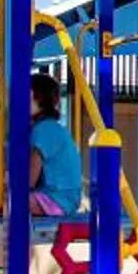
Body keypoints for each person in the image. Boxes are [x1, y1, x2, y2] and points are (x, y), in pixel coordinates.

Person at [27, 69, 82, 218]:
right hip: (64, 199)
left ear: (32, 97)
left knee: (10, 199)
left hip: (57, 200)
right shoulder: (50, 127)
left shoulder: (43, 130)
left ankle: (8, 239)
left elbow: (30, 177)